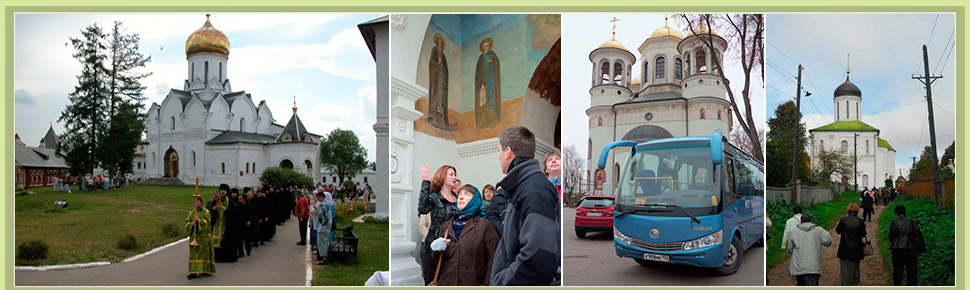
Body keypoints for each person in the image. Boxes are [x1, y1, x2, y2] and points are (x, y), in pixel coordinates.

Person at [490, 126, 560, 286]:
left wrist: (502, 282)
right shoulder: (525, 186)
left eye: (499, 150)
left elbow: (538, 257)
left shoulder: (534, 190)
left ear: (508, 151)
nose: (498, 157)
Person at [429, 184, 500, 286]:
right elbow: (438, 260)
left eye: (467, 194)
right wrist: (436, 250)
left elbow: (494, 257)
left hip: (473, 283)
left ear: (475, 200)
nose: (461, 197)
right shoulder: (446, 226)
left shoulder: (484, 225)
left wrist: (485, 285)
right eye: (459, 194)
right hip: (447, 283)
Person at [417, 164, 458, 285]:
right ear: (442, 177)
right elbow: (422, 209)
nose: (454, 177)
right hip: (432, 246)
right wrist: (425, 180)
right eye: (451, 174)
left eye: (455, 175)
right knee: (432, 281)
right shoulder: (434, 197)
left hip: (451, 248)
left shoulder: (457, 198)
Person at [787, 213, 832, 286]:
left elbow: (789, 248)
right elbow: (828, 242)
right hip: (814, 266)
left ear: (801, 221)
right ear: (811, 220)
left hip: (799, 266)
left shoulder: (794, 231)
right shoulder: (819, 230)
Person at [889, 205, 921, 286]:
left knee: (897, 271)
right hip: (911, 249)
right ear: (905, 212)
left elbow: (891, 236)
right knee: (912, 272)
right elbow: (916, 234)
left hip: (897, 249)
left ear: (896, 213)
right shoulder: (912, 221)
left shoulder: (894, 222)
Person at [836, 203, 867, 286]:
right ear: (857, 211)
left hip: (844, 247)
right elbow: (863, 234)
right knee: (856, 266)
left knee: (845, 268)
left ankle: (845, 284)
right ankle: (855, 283)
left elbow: (838, 231)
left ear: (848, 210)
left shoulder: (843, 220)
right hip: (857, 247)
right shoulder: (860, 221)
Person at [186, 192, 215, 279]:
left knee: (204, 254)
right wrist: (192, 223)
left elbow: (208, 223)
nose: (196, 203)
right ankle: (193, 272)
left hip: (204, 237)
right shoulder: (191, 213)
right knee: (194, 254)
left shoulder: (206, 212)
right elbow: (187, 223)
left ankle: (205, 269)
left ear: (201, 203)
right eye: (194, 202)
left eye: (197, 202)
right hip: (194, 237)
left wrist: (199, 221)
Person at [206, 184, 230, 262]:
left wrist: (226, 210)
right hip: (216, 224)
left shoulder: (229, 201)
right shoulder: (215, 200)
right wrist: (213, 209)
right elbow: (209, 211)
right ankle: (215, 257)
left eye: (224, 190)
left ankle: (223, 257)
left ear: (227, 192)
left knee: (224, 240)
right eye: (221, 190)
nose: (222, 192)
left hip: (225, 224)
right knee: (214, 240)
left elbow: (233, 213)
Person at [313, 191, 333, 265]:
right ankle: (324, 257)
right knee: (324, 242)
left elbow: (321, 215)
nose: (318, 200)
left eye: (318, 198)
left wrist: (315, 209)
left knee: (322, 243)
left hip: (323, 227)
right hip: (327, 226)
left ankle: (324, 258)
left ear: (322, 197)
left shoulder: (323, 205)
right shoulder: (328, 204)